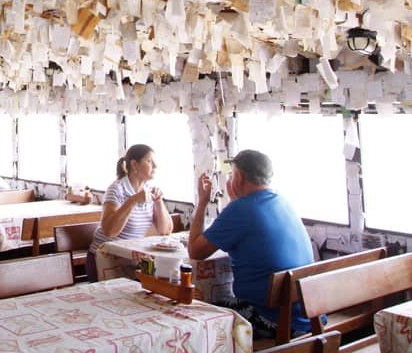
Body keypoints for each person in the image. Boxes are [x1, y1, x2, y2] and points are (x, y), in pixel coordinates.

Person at [188, 149, 315, 338]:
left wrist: (202, 202)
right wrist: (236, 201)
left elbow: (195, 251)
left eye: (232, 175)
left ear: (238, 177)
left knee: (193, 314)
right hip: (307, 316)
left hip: (272, 319)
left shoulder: (241, 209)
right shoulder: (283, 202)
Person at [87, 144, 174, 281]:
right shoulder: (116, 189)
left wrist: (159, 202)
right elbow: (110, 231)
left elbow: (165, 230)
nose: (155, 166)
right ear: (135, 165)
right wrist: (133, 200)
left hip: (130, 259)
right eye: (150, 161)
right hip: (106, 258)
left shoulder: (149, 189)